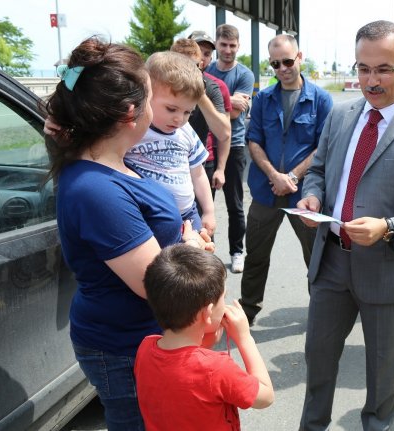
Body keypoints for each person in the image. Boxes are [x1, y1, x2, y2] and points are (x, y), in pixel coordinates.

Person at [42, 37, 212, 430]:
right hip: (123, 346)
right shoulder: (98, 190)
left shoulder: (108, 162)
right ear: (131, 113)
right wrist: (188, 246)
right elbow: (155, 284)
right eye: (156, 100)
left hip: (138, 338)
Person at [296, 20, 394, 430]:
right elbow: (317, 170)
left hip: (388, 270)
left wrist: (388, 227)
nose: (371, 80)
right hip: (331, 262)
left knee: (383, 380)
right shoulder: (340, 115)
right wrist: (312, 195)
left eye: (383, 68)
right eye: (363, 68)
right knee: (318, 364)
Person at [239, 34, 332, 324]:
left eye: (288, 61)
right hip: (266, 191)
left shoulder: (321, 100)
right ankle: (248, 310)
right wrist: (274, 175)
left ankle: (322, 312)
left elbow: (324, 146)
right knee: (255, 255)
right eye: (275, 63)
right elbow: (254, 140)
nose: (283, 68)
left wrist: (291, 176)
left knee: (315, 257)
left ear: (300, 58)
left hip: (304, 194)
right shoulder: (264, 98)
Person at [134, 244, 274, 430]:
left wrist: (205, 343)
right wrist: (244, 338)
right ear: (207, 313)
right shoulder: (217, 368)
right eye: (222, 298)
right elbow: (265, 397)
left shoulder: (145, 348)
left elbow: (184, 377)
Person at [126, 51, 216, 234]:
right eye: (171, 109)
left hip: (189, 213)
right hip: (148, 217)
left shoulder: (186, 132)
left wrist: (208, 211)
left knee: (198, 259)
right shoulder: (133, 129)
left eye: (187, 112)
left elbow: (198, 174)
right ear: (147, 94)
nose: (179, 119)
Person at [206, 24, 255, 273]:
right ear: (217, 44)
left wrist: (218, 104)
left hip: (234, 145)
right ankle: (209, 255)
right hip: (205, 146)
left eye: (232, 45)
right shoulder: (206, 68)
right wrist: (229, 100)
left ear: (238, 46)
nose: (227, 50)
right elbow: (229, 108)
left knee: (235, 204)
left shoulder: (245, 75)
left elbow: (235, 114)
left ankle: (237, 251)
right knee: (206, 204)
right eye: (223, 45)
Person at [171, 38, 231, 206]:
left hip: (198, 165)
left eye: (195, 66)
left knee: (202, 223)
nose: (189, 72)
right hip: (165, 166)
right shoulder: (159, 86)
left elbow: (224, 133)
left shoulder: (211, 87)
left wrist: (200, 94)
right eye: (183, 66)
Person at [188, 31, 233, 200]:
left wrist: (220, 169)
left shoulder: (217, 87)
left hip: (203, 161)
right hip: (168, 162)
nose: (201, 58)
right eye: (197, 51)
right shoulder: (164, 81)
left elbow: (224, 133)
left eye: (207, 54)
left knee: (203, 217)